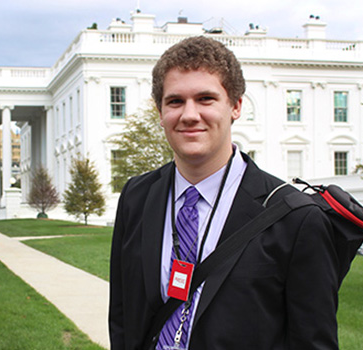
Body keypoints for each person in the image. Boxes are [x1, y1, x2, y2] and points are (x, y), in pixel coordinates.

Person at [109, 36, 339, 349]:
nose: (189, 115)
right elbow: (122, 316)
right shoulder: (137, 196)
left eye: (206, 99)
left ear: (236, 106)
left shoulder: (294, 217)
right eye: (175, 101)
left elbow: (313, 343)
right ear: (160, 111)